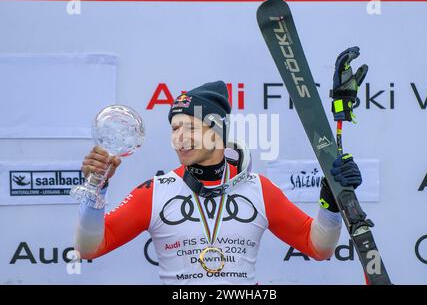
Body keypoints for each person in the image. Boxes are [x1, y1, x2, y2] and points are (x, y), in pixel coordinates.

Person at [75, 48, 365, 285]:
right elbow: (89, 248)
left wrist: (330, 204)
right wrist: (95, 188)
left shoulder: (258, 189)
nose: (179, 139)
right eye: (175, 129)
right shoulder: (155, 191)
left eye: (190, 127)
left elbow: (319, 247)